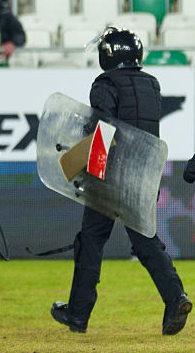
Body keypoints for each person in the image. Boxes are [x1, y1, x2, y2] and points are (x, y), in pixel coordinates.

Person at [51, 28, 192, 336]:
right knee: (145, 241)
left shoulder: (105, 83)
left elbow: (103, 130)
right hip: (144, 173)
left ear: (110, 54)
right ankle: (175, 297)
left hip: (112, 175)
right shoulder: (151, 84)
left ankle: (77, 314)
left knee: (91, 240)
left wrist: (92, 172)